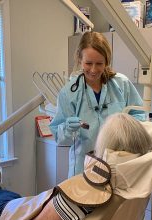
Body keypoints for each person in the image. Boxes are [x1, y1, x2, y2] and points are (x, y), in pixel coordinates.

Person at [0, 113, 152, 220]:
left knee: (11, 204)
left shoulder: (86, 195)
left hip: (54, 205)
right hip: (65, 200)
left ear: (104, 145)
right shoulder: (138, 186)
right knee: (24, 201)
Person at [49, 31, 144, 177]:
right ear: (80, 60)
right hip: (83, 169)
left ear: (107, 61)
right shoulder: (68, 93)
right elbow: (60, 138)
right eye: (88, 63)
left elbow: (139, 116)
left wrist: (127, 127)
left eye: (99, 63)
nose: (93, 70)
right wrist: (67, 129)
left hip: (117, 166)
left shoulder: (121, 84)